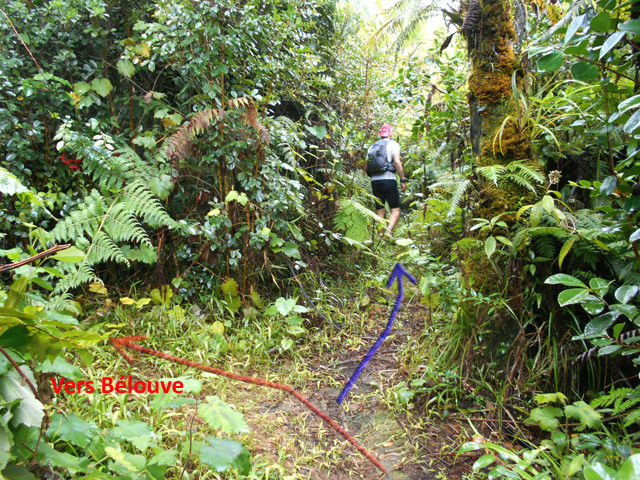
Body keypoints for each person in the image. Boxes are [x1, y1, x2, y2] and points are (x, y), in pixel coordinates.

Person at [368, 124, 407, 237]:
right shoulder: (393, 144)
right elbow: (397, 162)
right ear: (390, 133)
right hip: (389, 180)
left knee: (380, 211)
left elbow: (367, 165)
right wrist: (402, 179)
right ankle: (388, 232)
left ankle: (379, 237)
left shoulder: (372, 146)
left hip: (375, 182)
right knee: (395, 210)